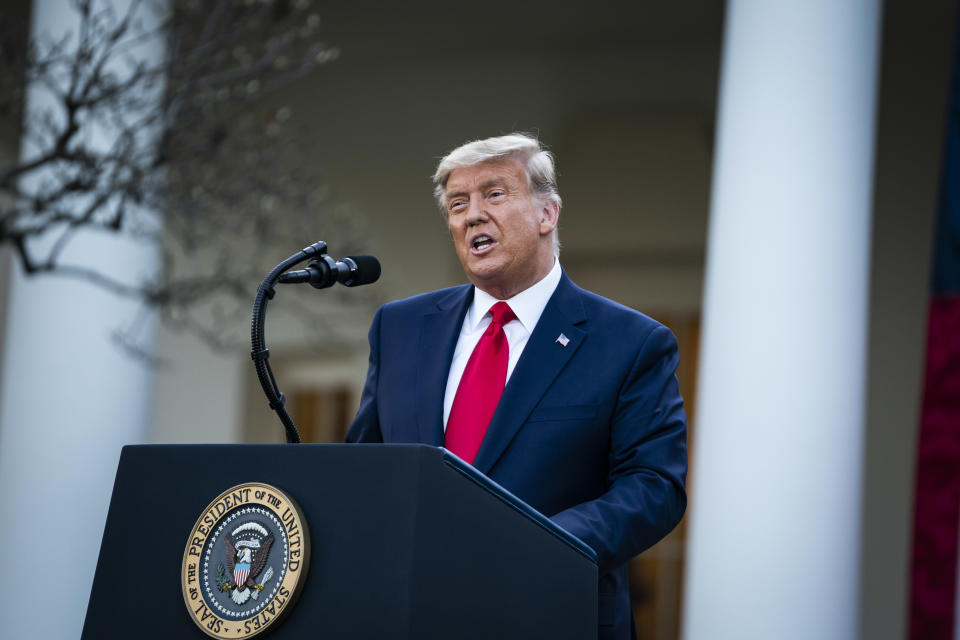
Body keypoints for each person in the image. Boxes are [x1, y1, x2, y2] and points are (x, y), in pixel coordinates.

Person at [346, 133, 687, 639]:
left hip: (550, 613)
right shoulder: (400, 328)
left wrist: (537, 543)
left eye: (494, 194)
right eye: (458, 204)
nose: (472, 215)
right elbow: (366, 468)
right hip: (413, 616)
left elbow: (654, 487)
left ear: (548, 214)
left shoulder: (631, 342)